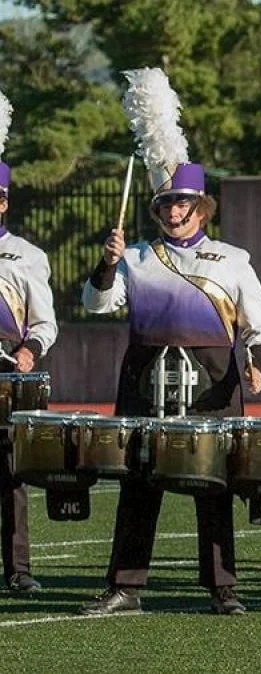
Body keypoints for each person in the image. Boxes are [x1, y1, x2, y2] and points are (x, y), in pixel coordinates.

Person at [79, 68, 261, 615]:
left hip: (213, 381)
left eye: (181, 202)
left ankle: (223, 590)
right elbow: (98, 304)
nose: (172, 211)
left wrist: (257, 360)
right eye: (165, 204)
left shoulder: (233, 259)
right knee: (140, 486)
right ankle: (125, 588)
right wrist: (106, 264)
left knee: (213, 489)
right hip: (145, 375)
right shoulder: (137, 257)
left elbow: (260, 321)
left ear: (200, 206)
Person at [0, 89, 58, 594]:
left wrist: (27, 351)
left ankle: (17, 570)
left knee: (10, 476)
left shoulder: (25, 255)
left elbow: (45, 323)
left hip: (5, 379)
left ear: (3, 202)